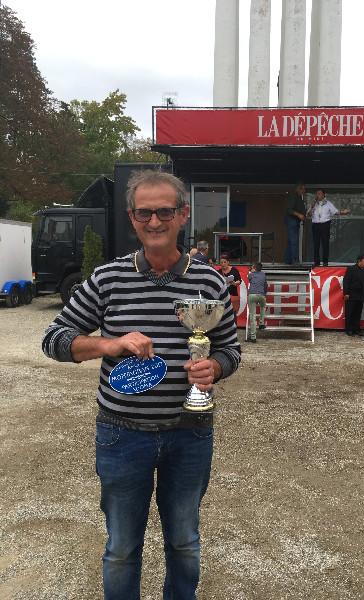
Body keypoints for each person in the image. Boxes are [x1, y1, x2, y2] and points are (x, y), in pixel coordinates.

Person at [42, 170, 241, 600]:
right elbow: (53, 340)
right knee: (121, 548)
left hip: (190, 434)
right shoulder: (106, 279)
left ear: (183, 215)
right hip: (121, 433)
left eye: (165, 211)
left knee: (185, 543)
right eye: (144, 212)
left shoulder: (209, 281)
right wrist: (109, 343)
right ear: (132, 218)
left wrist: (217, 370)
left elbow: (230, 349)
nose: (155, 222)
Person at [307, 188, 350, 267]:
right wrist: (312, 206)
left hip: (325, 225)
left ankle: (325, 262)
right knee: (316, 244)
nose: (318, 195)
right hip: (316, 225)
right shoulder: (313, 204)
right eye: (317, 194)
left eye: (319, 193)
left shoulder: (328, 203)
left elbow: (335, 212)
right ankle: (316, 262)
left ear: (324, 195)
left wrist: (343, 212)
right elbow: (308, 214)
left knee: (325, 243)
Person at [342, 254, 364, 336]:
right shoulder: (351, 269)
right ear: (359, 261)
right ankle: (348, 329)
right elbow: (346, 281)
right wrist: (346, 293)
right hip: (351, 294)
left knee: (358, 313)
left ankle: (356, 329)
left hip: (360, 295)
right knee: (350, 313)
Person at [284, 182, 306, 264]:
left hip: (295, 221)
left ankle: (288, 260)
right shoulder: (293, 196)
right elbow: (289, 209)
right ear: (298, 189)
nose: (304, 191)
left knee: (291, 241)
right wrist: (299, 215)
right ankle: (294, 260)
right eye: (302, 189)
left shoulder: (299, 198)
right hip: (292, 220)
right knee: (294, 241)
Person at [247, 262, 268, 343]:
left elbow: (248, 279)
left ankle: (253, 337)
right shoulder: (263, 274)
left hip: (252, 295)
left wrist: (250, 270)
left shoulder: (251, 274)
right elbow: (266, 285)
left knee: (252, 316)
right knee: (263, 307)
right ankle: (261, 323)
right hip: (261, 295)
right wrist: (264, 294)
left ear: (254, 268)